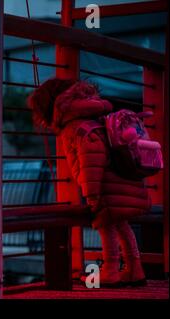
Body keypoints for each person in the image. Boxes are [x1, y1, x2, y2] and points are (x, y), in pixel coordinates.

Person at [28, 78, 151, 287]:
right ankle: (135, 269)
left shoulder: (76, 126)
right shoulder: (95, 117)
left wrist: (91, 194)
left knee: (106, 226)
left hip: (105, 188)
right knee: (121, 226)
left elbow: (91, 160)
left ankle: (111, 270)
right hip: (119, 182)